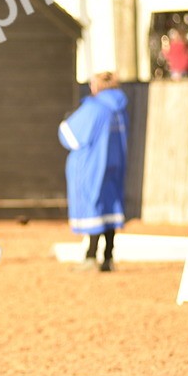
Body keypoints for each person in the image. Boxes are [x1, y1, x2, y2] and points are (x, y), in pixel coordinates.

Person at [58, 72, 128, 272]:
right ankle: (108, 257)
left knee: (94, 208)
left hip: (92, 166)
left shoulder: (95, 108)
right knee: (109, 209)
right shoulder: (120, 109)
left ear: (97, 86)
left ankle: (90, 257)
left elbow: (69, 135)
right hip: (114, 165)